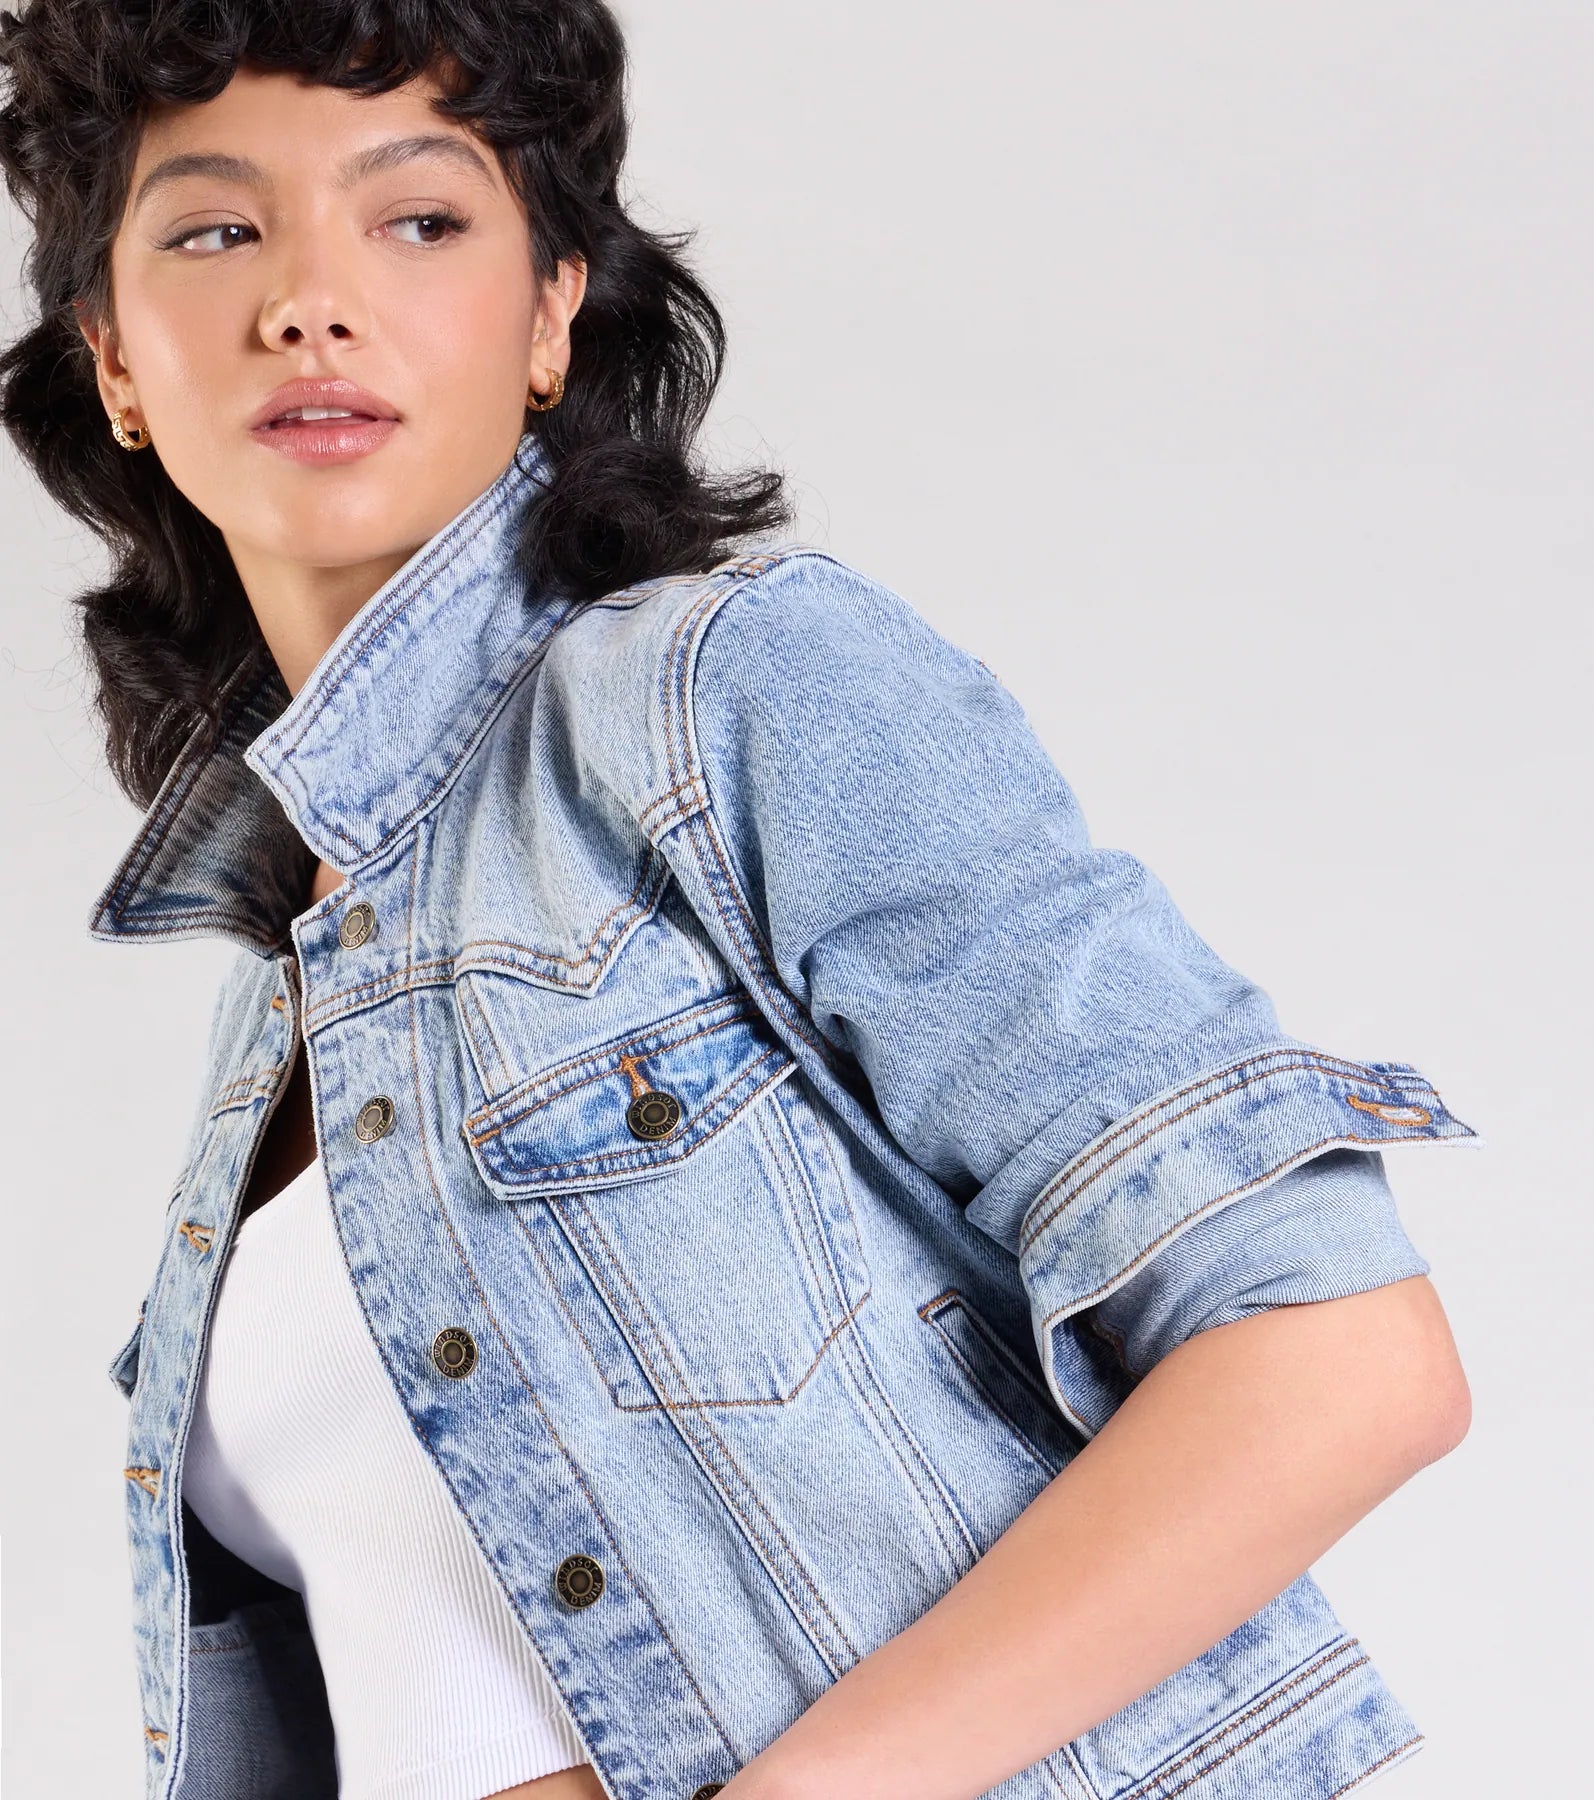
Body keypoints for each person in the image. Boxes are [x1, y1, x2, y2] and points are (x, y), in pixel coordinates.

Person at [0, 4, 1481, 1799]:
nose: (309, 300)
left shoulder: (724, 694)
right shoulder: (292, 970)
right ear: (113, 361)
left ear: (551, 313)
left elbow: (1332, 1354)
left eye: (419, 219)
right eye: (218, 228)